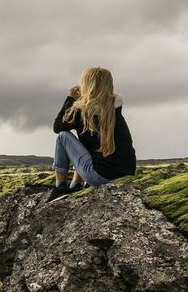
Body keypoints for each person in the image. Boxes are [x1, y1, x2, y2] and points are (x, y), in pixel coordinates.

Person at [47, 66, 136, 201]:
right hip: (126, 172)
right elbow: (87, 148)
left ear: (86, 85)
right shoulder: (113, 109)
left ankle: (60, 186)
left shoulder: (80, 110)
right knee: (88, 144)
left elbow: (58, 127)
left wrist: (70, 99)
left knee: (63, 136)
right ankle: (76, 185)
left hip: (100, 176)